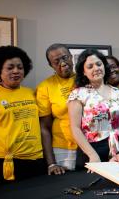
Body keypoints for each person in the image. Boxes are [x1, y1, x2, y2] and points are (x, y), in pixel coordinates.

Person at [0, 46, 44, 187]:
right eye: (10, 67)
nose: (16, 71)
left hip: (34, 159)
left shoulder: (31, 93)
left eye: (20, 67)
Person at [68, 49, 119, 167]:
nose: (96, 68)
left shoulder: (117, 92)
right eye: (90, 66)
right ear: (84, 72)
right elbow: (75, 128)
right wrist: (92, 155)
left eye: (99, 64)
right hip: (92, 150)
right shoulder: (78, 94)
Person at [36, 43, 77, 175]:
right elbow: (44, 127)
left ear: (71, 57)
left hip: (91, 145)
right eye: (56, 61)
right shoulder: (45, 87)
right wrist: (51, 163)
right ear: (51, 65)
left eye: (65, 57)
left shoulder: (86, 78)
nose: (63, 63)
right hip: (63, 148)